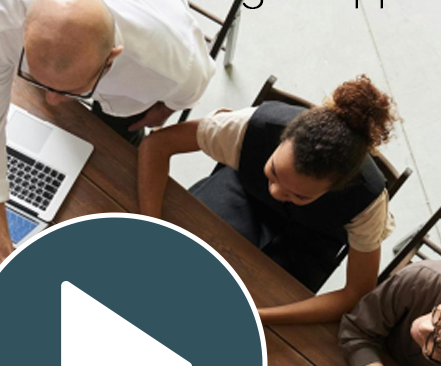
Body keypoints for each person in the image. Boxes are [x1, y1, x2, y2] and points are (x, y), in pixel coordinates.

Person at [0, 0, 215, 268]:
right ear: (24, 32)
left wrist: (163, 108)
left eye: (69, 90)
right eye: (39, 81)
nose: (52, 101)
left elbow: (186, 93)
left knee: (119, 151)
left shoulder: (174, 67)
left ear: (112, 60)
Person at [139, 75, 398, 312]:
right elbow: (157, 144)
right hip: (242, 193)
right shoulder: (254, 126)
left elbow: (355, 292)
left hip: (310, 242)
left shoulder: (367, 202)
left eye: (300, 195)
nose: (275, 191)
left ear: (338, 187)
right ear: (283, 138)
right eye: (273, 172)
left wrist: (261, 316)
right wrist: (153, 229)